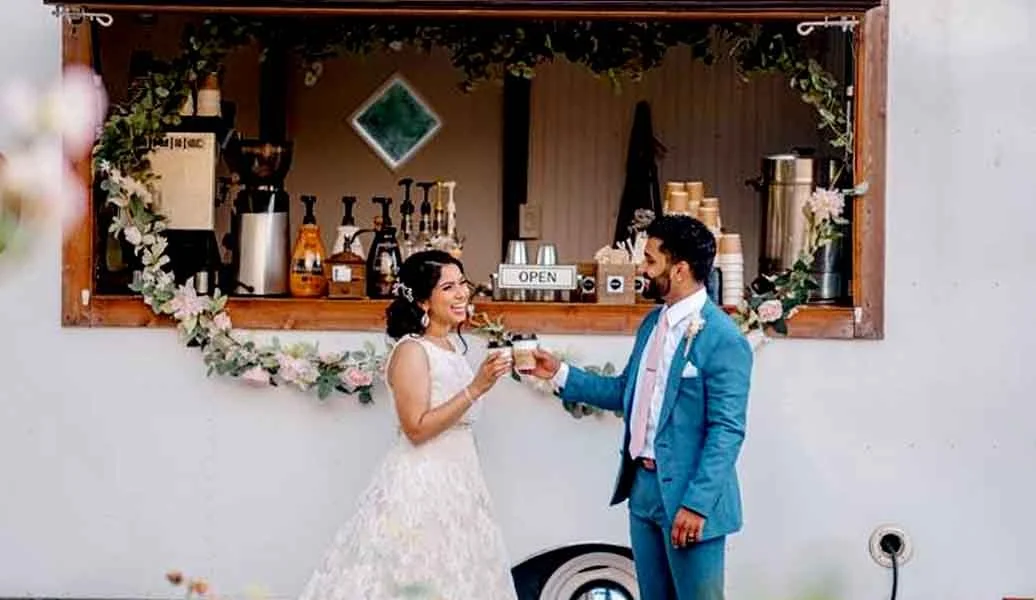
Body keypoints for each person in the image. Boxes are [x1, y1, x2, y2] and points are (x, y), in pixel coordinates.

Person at [529, 215, 753, 600]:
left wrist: (696, 505)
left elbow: (726, 431)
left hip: (689, 498)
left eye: (650, 261)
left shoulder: (723, 338)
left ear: (679, 269)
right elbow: (624, 392)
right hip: (643, 490)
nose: (642, 270)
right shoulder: (652, 323)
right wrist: (559, 373)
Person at [297, 249, 519, 600]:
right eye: (449, 287)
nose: (462, 293)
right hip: (422, 485)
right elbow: (415, 428)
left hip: (460, 482)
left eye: (463, 283)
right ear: (423, 301)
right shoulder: (412, 351)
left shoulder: (450, 347)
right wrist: (476, 387)